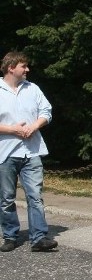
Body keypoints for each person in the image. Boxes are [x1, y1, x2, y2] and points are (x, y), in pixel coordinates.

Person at [0, 52, 58, 253]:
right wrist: (12, 130)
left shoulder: (33, 89)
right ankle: (10, 235)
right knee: (6, 198)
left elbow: (46, 111)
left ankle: (39, 237)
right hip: (5, 154)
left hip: (31, 152)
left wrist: (34, 126)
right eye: (23, 66)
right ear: (11, 68)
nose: (27, 70)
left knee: (35, 196)